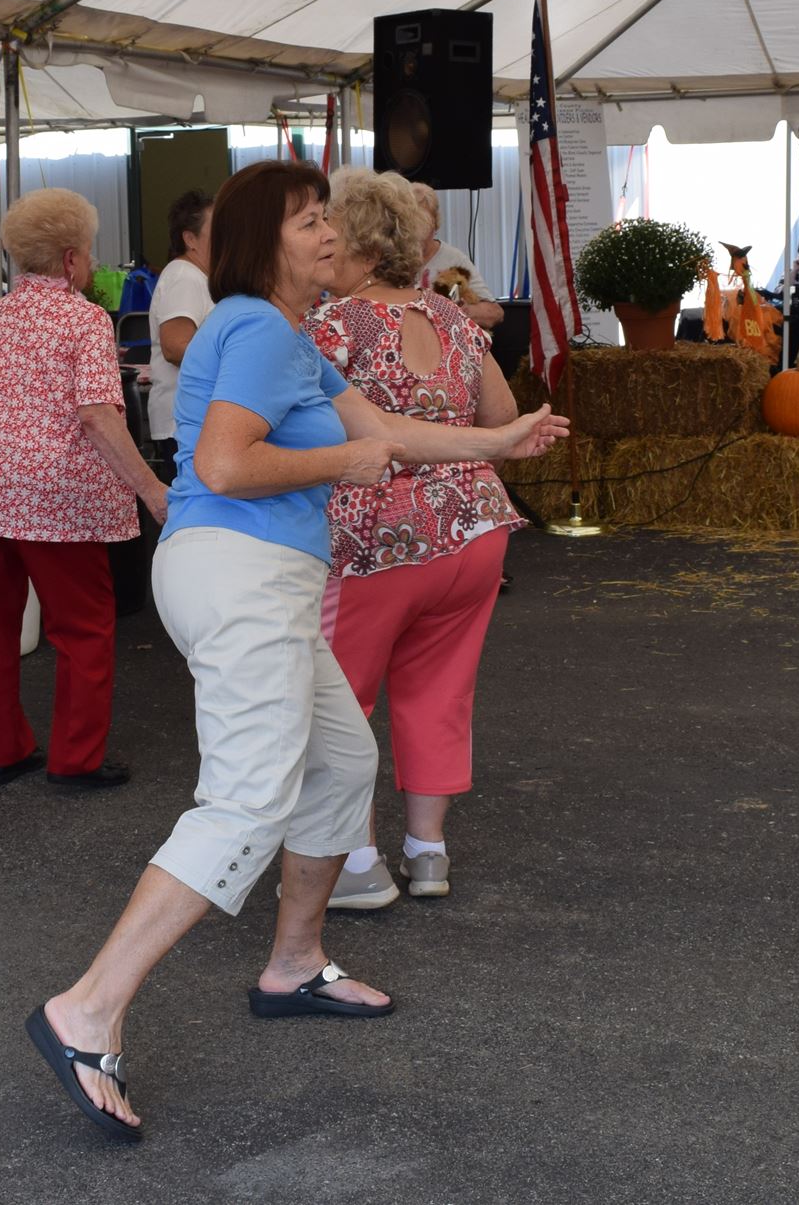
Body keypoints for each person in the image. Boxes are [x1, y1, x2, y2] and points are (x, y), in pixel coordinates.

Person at [27, 160, 565, 1139]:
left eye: (328, 217)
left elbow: (389, 431)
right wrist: (341, 462)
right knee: (244, 795)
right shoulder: (259, 328)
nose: (329, 231)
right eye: (308, 219)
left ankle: (292, 963)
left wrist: (502, 440)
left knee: (342, 759)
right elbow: (228, 464)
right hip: (237, 569)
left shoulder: (286, 342)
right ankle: (88, 1007)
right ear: (259, 240)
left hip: (251, 572)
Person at [308, 169, 522, 909]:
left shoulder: (334, 326)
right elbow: (502, 416)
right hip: (472, 529)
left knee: (339, 700)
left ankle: (358, 860)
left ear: (360, 244)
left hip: (375, 536)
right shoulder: (459, 319)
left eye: (329, 230)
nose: (322, 243)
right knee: (440, 689)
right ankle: (428, 854)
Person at [0, 189, 168, 792]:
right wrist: (151, 490)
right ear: (70, 259)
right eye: (89, 253)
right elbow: (97, 415)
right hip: (55, 493)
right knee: (84, 627)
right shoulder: (85, 318)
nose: (92, 265)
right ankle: (76, 759)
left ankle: (0, 751)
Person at [144, 190, 214, 478]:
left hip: (190, 422)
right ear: (190, 239)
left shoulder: (196, 277)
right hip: (183, 425)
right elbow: (175, 347)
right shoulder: (185, 277)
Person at [408, 183, 503, 331]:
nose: (416, 238)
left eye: (423, 227)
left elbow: (495, 313)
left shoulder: (454, 259)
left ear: (435, 224)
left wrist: (463, 311)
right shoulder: (389, 261)